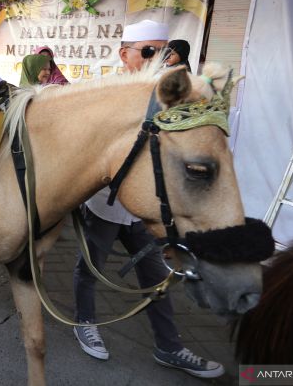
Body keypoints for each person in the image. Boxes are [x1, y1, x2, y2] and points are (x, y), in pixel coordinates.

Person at [72, 20, 224, 379]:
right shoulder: (105, 91)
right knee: (90, 268)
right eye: (149, 51)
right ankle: (84, 322)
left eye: (163, 50)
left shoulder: (167, 92)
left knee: (157, 277)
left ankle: (169, 347)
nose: (160, 58)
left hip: (143, 209)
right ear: (125, 54)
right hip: (105, 204)